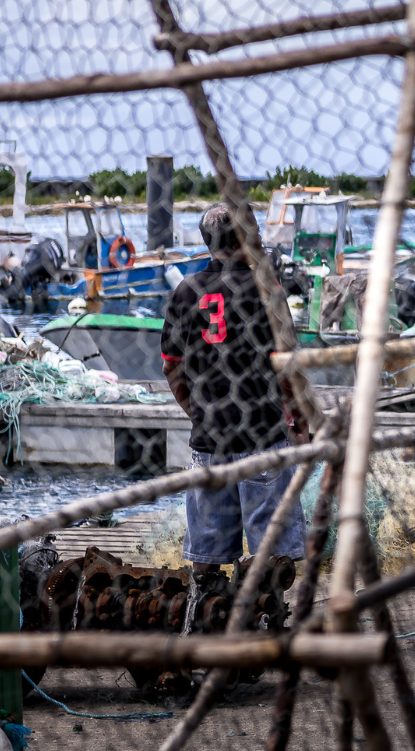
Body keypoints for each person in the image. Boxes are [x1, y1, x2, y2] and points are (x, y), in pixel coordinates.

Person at [161, 204, 308, 592]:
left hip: (210, 439)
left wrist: (196, 412)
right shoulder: (267, 289)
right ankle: (265, 620)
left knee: (205, 557)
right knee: (271, 554)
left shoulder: (186, 291)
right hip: (261, 433)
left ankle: (205, 616)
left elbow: (170, 366)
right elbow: (287, 367)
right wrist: (299, 421)